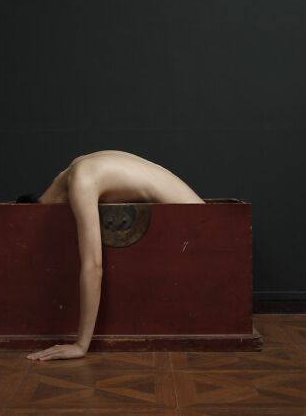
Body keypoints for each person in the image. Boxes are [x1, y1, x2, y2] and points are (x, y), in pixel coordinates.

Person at [21, 150, 205, 361]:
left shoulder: (81, 181)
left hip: (201, 223)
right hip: (195, 209)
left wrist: (80, 345)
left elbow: (93, 266)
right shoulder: (77, 165)